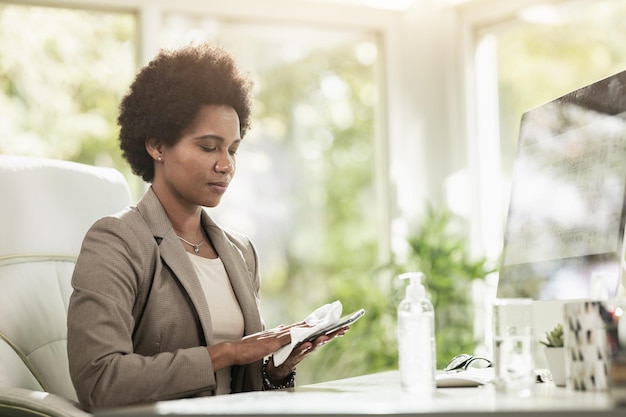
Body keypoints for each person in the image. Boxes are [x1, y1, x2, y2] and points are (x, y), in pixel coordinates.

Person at [66, 43, 346, 410]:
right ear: (157, 146)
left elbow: (243, 384)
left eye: (232, 149)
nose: (226, 164)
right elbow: (99, 381)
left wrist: (276, 369)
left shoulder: (240, 252)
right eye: (209, 147)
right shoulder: (117, 241)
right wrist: (225, 353)